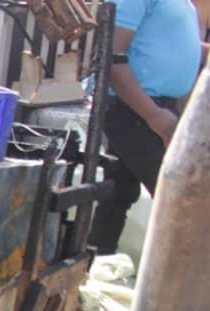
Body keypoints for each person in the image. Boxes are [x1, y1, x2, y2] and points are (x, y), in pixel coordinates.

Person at [86, 0, 205, 254]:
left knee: (118, 193)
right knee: (186, 201)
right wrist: (154, 116)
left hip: (157, 109)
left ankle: (95, 264)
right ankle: (178, 288)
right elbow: (111, 55)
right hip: (138, 110)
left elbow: (170, 43)